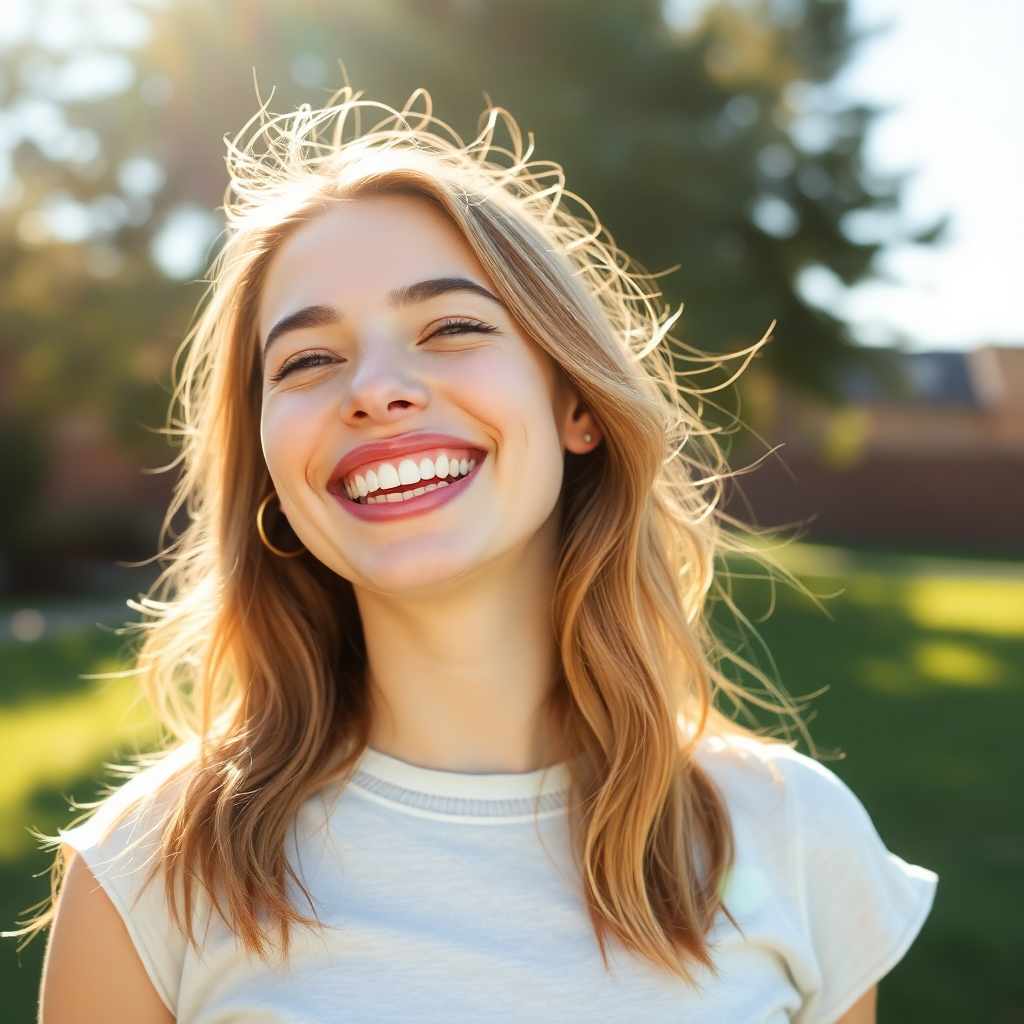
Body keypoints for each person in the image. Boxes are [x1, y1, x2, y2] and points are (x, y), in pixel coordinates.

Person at [37, 90, 935, 1024]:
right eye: (307, 360)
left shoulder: (795, 836)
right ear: (270, 470)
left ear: (576, 406)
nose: (378, 389)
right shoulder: (145, 878)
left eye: (453, 328)